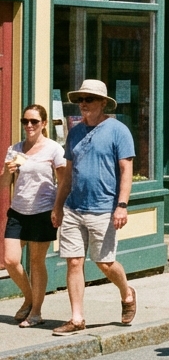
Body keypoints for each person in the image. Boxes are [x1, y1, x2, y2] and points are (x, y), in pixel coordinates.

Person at [51, 80, 137, 336]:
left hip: (103, 207)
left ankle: (127, 293)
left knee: (104, 262)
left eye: (89, 99)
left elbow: (126, 170)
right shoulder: (75, 132)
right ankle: (77, 318)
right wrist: (58, 205)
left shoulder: (118, 130)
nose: (84, 104)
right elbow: (67, 175)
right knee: (74, 262)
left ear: (102, 103)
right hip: (75, 207)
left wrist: (121, 205)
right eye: (81, 100)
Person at [2, 104, 66, 328]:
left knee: (37, 262)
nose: (29, 126)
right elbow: (4, 186)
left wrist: (57, 209)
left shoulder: (53, 149)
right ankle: (29, 298)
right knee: (10, 260)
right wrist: (6, 173)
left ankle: (36, 312)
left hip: (42, 211)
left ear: (44, 124)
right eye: (25, 121)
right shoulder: (15, 149)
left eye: (34, 122)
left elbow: (63, 181)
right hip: (18, 211)